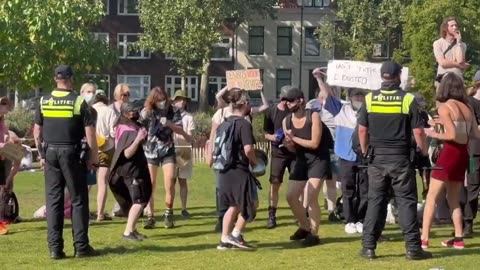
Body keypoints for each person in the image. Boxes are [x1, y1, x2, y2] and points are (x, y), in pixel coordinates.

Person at [357, 61, 431, 260]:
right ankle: (413, 249)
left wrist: (365, 151)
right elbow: (418, 131)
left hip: (376, 158)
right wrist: (423, 151)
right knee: (406, 202)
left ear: (382, 76)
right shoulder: (407, 99)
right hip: (400, 158)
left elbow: (362, 130)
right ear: (399, 75)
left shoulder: (370, 98)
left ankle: (368, 247)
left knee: (375, 201)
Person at [33, 65, 99, 259]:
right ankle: (81, 247)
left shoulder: (43, 101)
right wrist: (93, 157)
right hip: (72, 153)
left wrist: (42, 156)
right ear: (71, 79)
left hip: (50, 153)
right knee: (78, 199)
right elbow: (90, 133)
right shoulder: (79, 102)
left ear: (55, 79)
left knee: (54, 201)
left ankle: (55, 249)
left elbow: (37, 132)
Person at [421, 73, 480, 249]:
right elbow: (474, 134)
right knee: (453, 198)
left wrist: (433, 133)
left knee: (432, 197)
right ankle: (459, 238)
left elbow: (451, 134)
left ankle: (424, 238)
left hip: (449, 152)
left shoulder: (445, 107)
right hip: (463, 153)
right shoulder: (467, 107)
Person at [312, 68, 368, 234]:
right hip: (346, 156)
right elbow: (327, 95)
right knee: (348, 188)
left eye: (361, 95)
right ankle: (350, 219)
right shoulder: (340, 109)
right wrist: (319, 79)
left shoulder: (370, 110)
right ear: (350, 97)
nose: (358, 98)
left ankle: (362, 219)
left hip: (365, 156)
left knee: (364, 189)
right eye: (355, 96)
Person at [283, 87, 332, 247]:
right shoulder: (287, 121)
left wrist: (294, 138)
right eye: (285, 101)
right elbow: (292, 147)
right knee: (291, 197)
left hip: (318, 159)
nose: (288, 104)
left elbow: (314, 143)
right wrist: (288, 143)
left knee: (310, 197)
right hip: (301, 159)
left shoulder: (314, 116)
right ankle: (304, 226)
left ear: (300, 100)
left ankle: (314, 234)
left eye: (290, 101)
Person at [140, 86, 188, 229]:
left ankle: (168, 213)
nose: (161, 103)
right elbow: (140, 126)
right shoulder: (147, 111)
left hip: (167, 149)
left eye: (163, 100)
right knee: (151, 183)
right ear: (153, 101)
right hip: (151, 150)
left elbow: (180, 129)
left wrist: (169, 124)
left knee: (170, 181)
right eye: (158, 101)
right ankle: (150, 216)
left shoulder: (173, 110)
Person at [216, 89, 258, 250]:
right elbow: (248, 149)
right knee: (251, 203)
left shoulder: (224, 123)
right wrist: (254, 162)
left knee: (233, 205)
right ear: (245, 104)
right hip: (239, 169)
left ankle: (224, 240)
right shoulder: (244, 124)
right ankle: (235, 234)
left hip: (224, 169)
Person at [109, 103, 152, 241]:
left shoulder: (125, 125)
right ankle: (128, 232)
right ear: (127, 114)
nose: (136, 114)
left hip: (133, 169)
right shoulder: (127, 130)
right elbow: (127, 153)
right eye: (134, 112)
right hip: (131, 170)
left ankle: (133, 229)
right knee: (139, 200)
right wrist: (138, 139)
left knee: (140, 199)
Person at [262, 86, 295, 229]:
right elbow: (265, 133)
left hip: (294, 153)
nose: (289, 103)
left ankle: (300, 213)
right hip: (278, 153)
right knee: (274, 184)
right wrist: (273, 137)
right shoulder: (271, 111)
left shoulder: (294, 112)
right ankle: (272, 215)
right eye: (288, 99)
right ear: (282, 98)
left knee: (297, 184)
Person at [306, 84, 339, 222]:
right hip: (316, 151)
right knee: (312, 183)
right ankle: (306, 209)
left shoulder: (337, 107)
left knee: (331, 182)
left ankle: (332, 210)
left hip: (332, 149)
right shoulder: (311, 107)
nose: (323, 97)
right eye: (321, 95)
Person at [92, 89, 117, 221]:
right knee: (102, 182)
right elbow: (114, 133)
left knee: (87, 183)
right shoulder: (109, 111)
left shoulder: (89, 109)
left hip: (90, 149)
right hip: (106, 149)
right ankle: (100, 214)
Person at [462, 70, 480, 238]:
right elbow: (470, 128)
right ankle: (468, 223)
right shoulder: (470, 102)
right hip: (475, 152)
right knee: (472, 188)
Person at [171, 90, 195, 217]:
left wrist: (183, 135)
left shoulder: (188, 117)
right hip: (171, 150)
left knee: (182, 180)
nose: (181, 102)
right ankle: (169, 207)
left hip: (184, 150)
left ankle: (183, 208)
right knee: (171, 180)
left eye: (183, 100)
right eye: (178, 99)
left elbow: (190, 137)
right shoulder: (170, 116)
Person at [433, 17, 469, 93]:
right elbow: (443, 63)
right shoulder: (438, 43)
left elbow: (459, 60)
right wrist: (459, 65)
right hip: (443, 81)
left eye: (456, 25)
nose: (455, 27)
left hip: (458, 81)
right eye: (452, 26)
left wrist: (458, 42)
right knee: (442, 104)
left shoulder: (463, 45)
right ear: (445, 28)